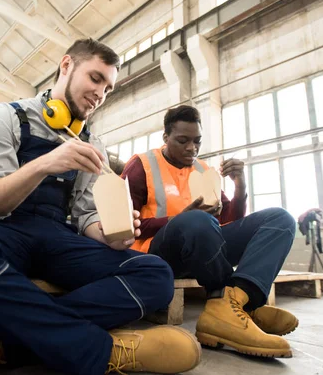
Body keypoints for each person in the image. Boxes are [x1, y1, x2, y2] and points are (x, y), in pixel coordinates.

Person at [0, 39, 201, 375]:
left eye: (107, 87)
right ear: (66, 66)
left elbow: (86, 214)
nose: (100, 93)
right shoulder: (8, 117)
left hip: (58, 237)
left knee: (156, 274)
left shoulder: (93, 143)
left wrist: (109, 235)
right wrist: (44, 164)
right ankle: (102, 349)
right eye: (94, 78)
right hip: (4, 229)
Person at [122, 105, 298, 358]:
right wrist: (178, 219)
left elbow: (230, 221)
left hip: (204, 249)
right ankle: (235, 308)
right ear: (165, 137)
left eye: (197, 141)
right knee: (195, 221)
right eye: (183, 141)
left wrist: (240, 185)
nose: (191, 148)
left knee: (280, 219)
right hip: (158, 255)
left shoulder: (204, 170)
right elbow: (125, 226)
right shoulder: (141, 166)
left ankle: (236, 303)